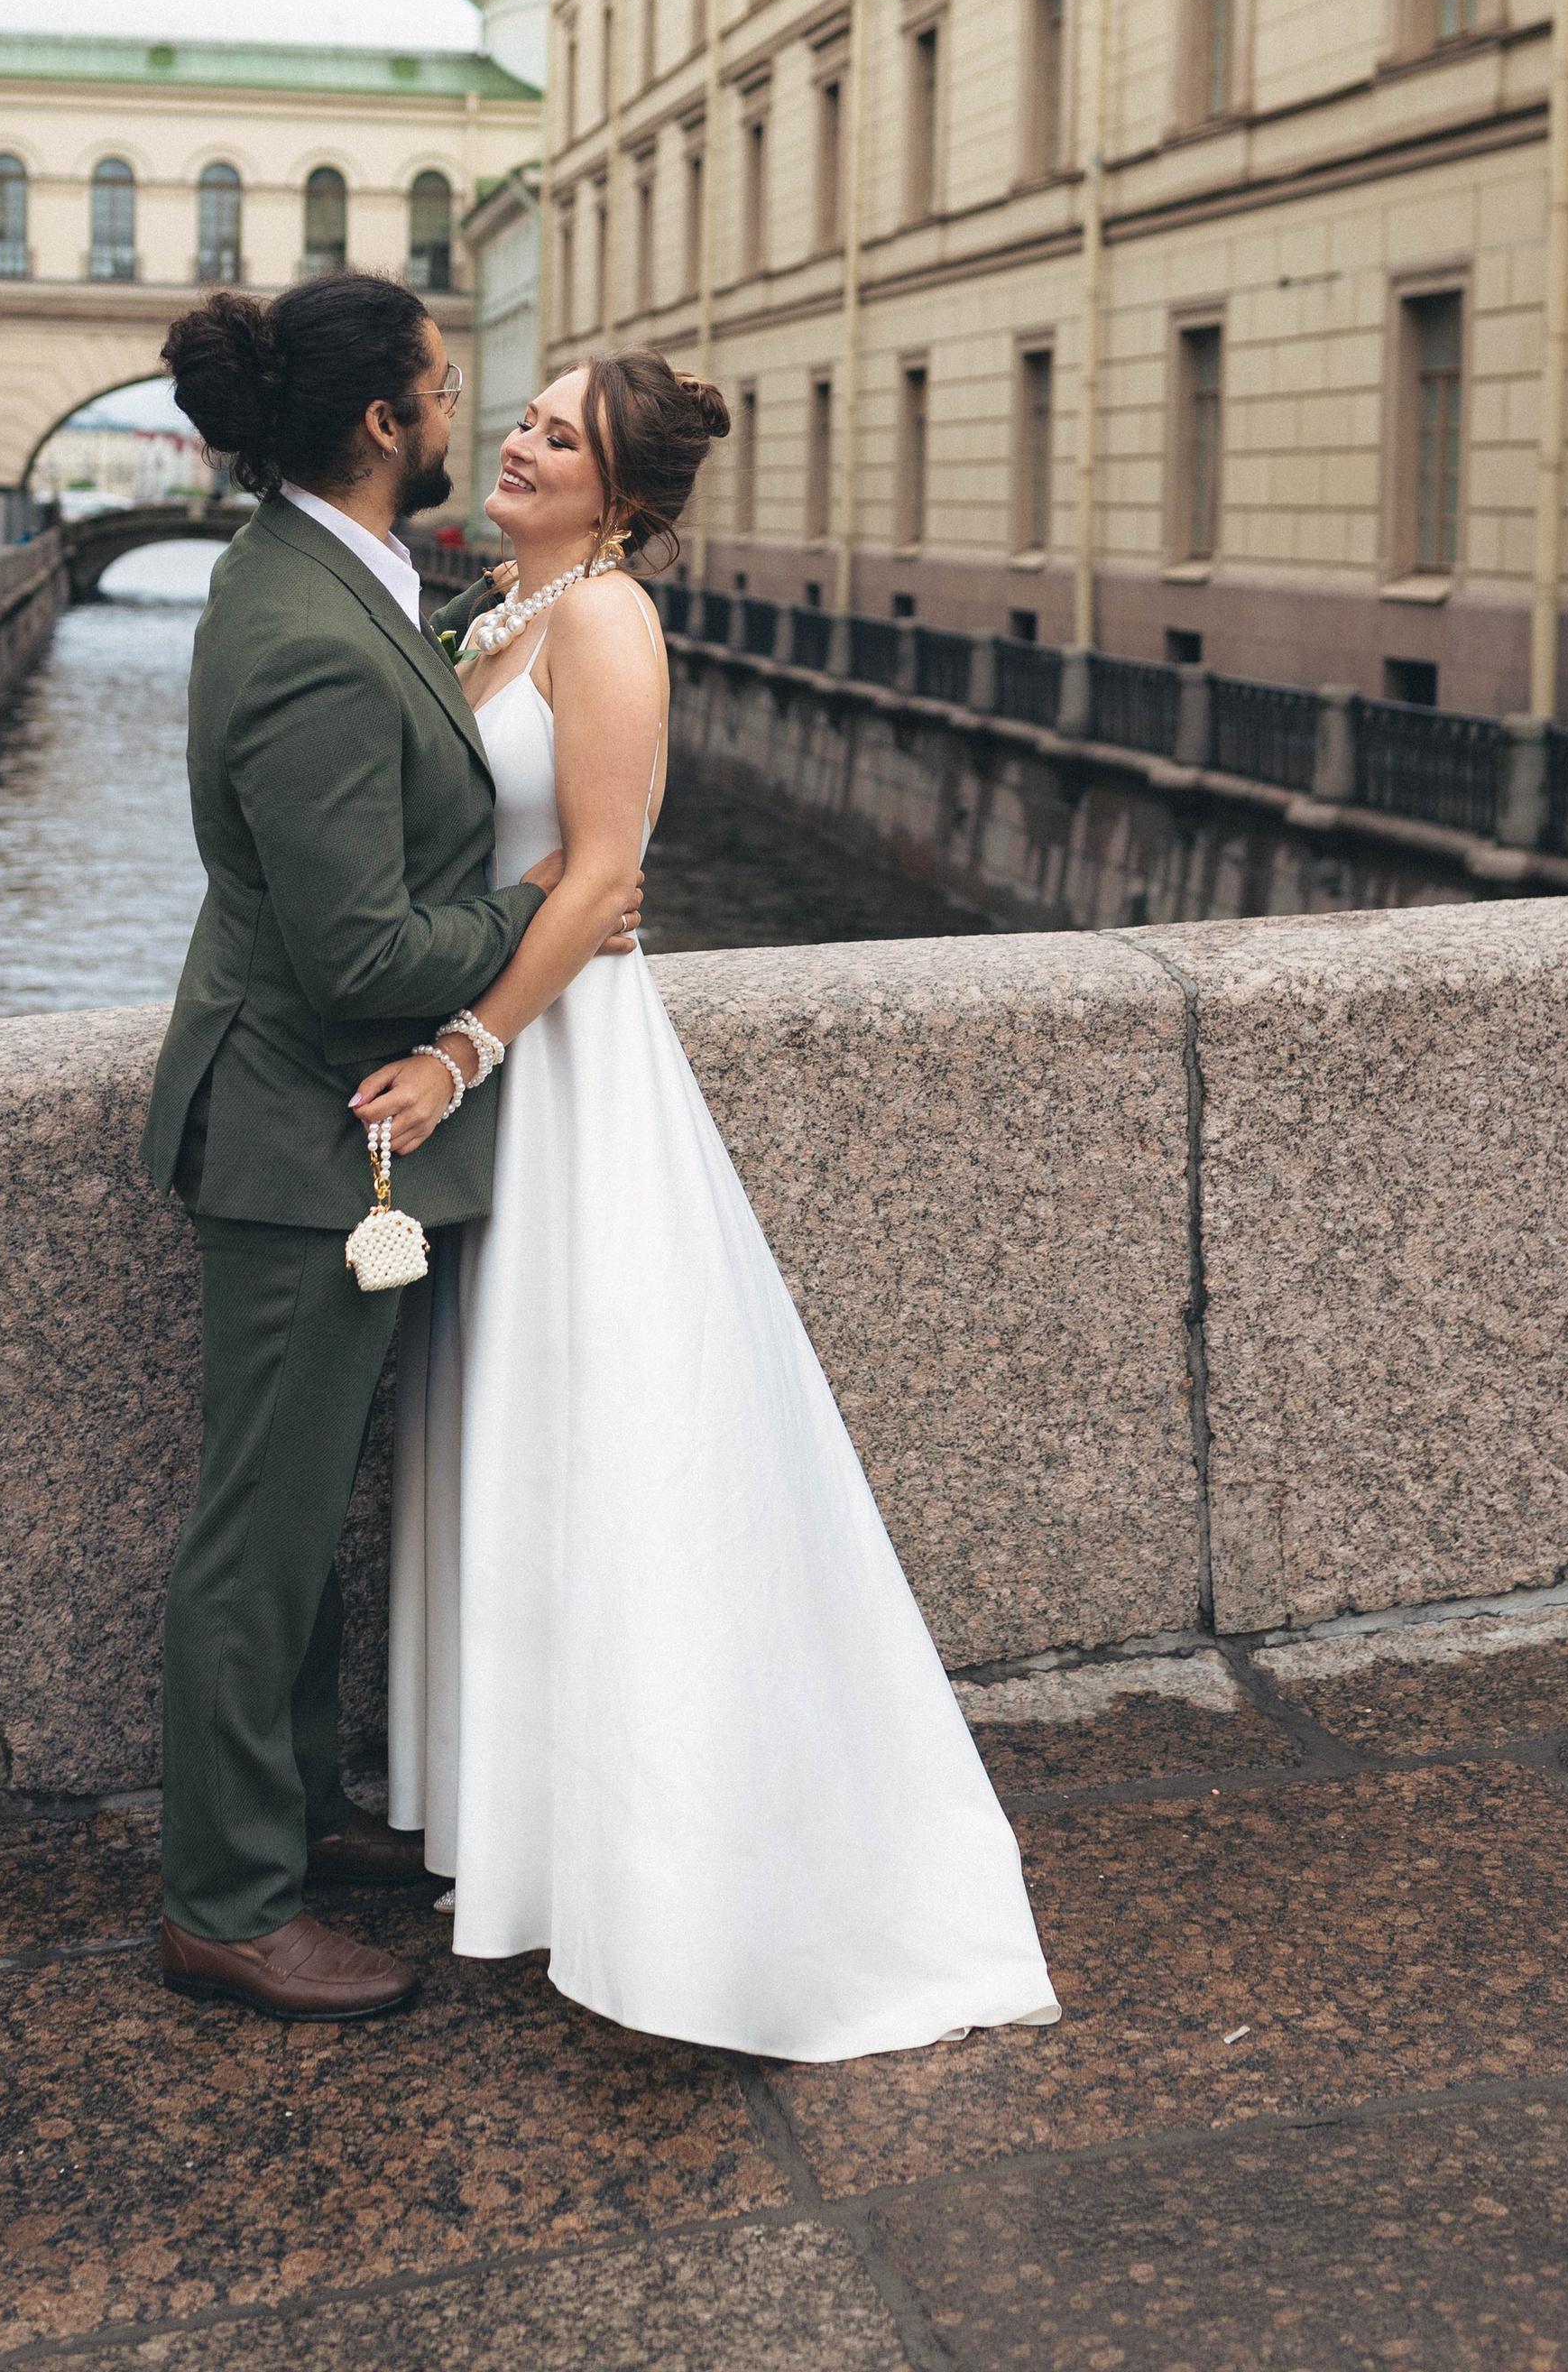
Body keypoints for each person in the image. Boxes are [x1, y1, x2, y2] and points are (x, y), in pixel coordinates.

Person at [360, 350, 1060, 2062]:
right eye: (525, 415)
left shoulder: (604, 623)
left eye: (562, 438)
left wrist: (458, 1050)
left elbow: (603, 870)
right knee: (512, 1424)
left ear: (626, 498)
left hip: (561, 1066)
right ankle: (519, 1824)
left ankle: (666, 1863)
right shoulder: (491, 608)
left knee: (611, 1427)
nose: (522, 440)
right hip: (520, 1038)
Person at [140, 275, 644, 2026]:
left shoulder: (349, 583)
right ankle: (222, 1897)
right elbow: (356, 954)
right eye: (446, 388)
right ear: (383, 426)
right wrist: (533, 911)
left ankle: (292, 1816)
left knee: (300, 1506)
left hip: (318, 1123)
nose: (467, 412)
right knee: (257, 1530)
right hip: (305, 1127)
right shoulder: (299, 624)